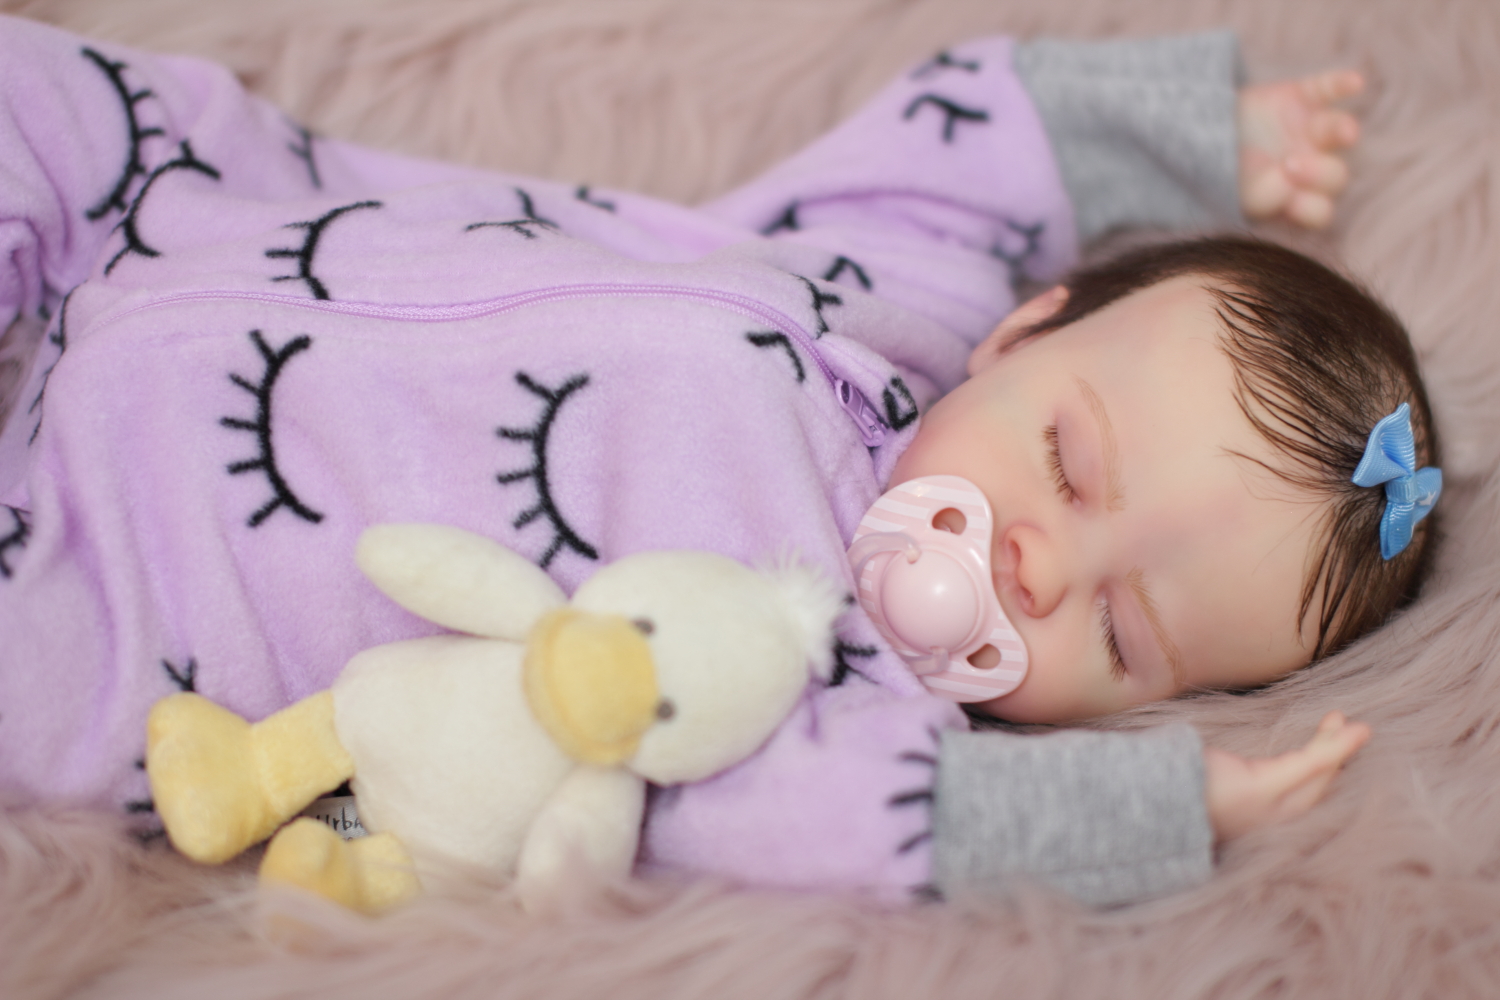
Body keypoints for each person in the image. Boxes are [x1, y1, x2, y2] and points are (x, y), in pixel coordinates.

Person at [0, 15, 1431, 906]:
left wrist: (1155, 815)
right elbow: (964, 143)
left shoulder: (821, 709)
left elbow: (881, 830)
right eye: (1067, 459)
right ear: (1023, 334)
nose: (1042, 564)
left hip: (144, 585)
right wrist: (1191, 129)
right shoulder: (905, 285)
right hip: (197, 208)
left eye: (1121, 632)